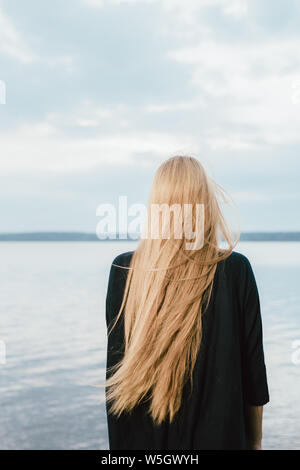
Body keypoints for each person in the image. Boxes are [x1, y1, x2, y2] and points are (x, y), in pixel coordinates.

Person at [105, 155, 269, 450]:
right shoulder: (235, 271)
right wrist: (256, 442)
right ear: (206, 204)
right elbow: (253, 377)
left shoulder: (125, 272)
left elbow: (115, 385)